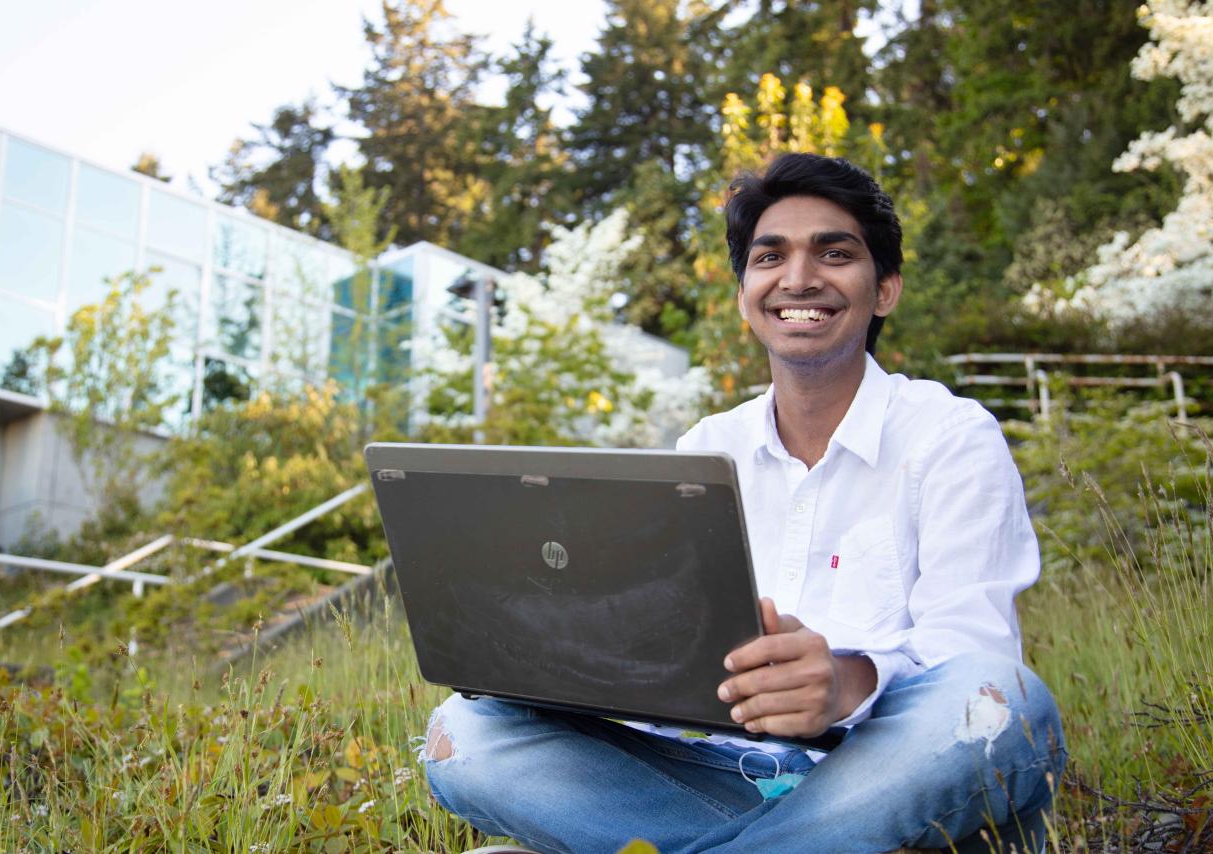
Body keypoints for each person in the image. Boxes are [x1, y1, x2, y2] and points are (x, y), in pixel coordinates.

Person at [420, 153, 1067, 854]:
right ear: (744, 295)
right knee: (466, 734)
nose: (799, 278)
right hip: (718, 775)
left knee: (1001, 696)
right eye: (770, 257)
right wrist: (567, 667)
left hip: (884, 771)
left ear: (885, 290)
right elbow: (660, 652)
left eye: (835, 253)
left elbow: (972, 656)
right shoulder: (704, 451)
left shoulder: (951, 437)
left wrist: (844, 685)